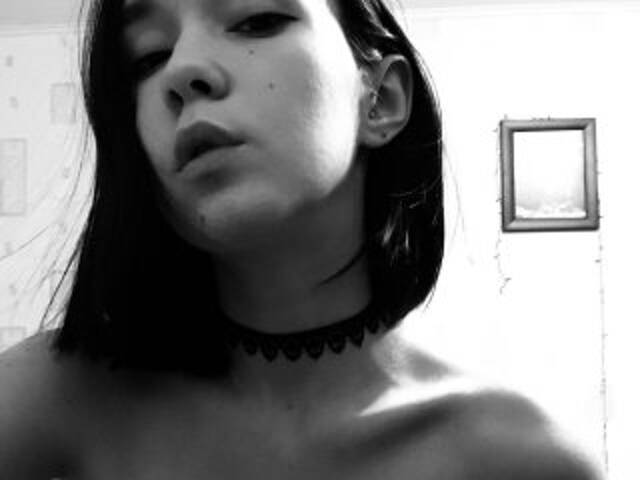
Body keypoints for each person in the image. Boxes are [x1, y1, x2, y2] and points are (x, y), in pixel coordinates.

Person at [0, 0, 600, 478]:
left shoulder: (526, 457)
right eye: (148, 57)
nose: (181, 71)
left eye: (256, 19)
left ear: (380, 99)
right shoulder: (52, 396)